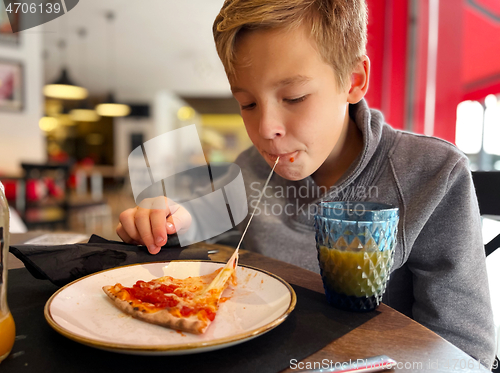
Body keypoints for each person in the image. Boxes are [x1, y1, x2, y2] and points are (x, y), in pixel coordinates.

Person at [116, 0, 496, 366]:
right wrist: (172, 222)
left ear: (354, 80)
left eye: (294, 97)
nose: (265, 129)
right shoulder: (250, 168)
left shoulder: (432, 174)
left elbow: (462, 349)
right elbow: (217, 235)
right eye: (247, 104)